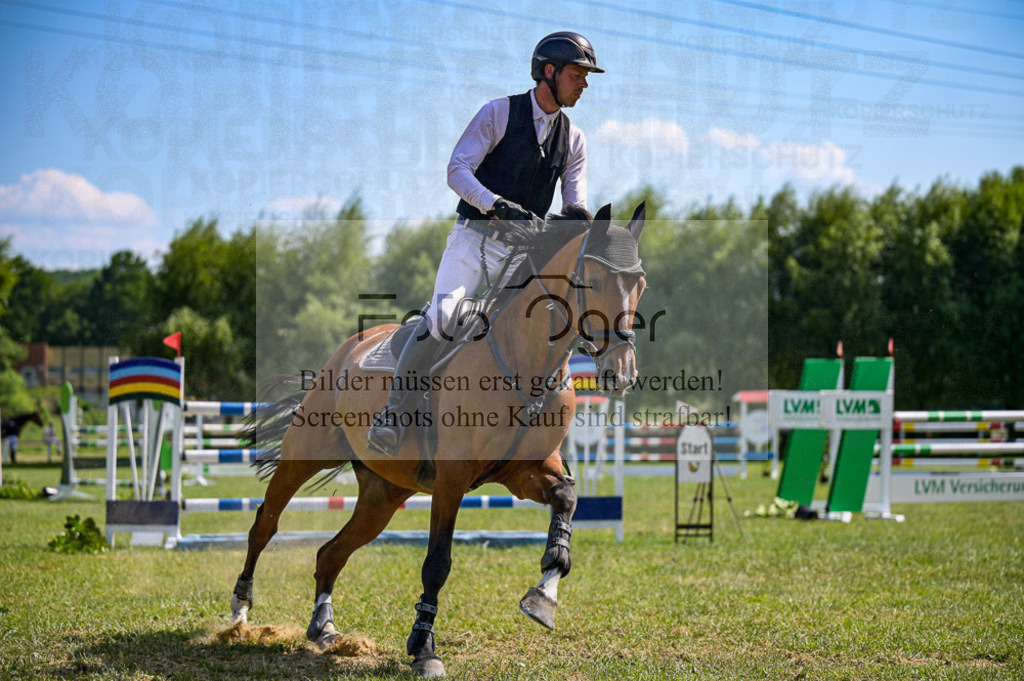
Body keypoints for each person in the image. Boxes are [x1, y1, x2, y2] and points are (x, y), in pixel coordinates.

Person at [367, 31, 605, 457]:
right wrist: (493, 203)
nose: (584, 84)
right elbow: (457, 169)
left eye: (586, 77)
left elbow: (575, 206)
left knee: (545, 324)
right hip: (474, 240)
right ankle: (394, 413)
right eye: (577, 74)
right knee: (443, 318)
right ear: (548, 72)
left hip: (522, 255)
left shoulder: (574, 139)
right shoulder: (498, 113)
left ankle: (536, 434)